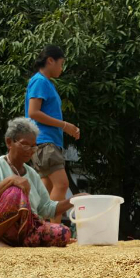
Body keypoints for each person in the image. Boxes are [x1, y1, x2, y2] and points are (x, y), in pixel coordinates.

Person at [0, 118, 81, 248]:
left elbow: (46, 208)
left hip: (21, 231)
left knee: (63, 233)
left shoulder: (32, 174)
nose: (30, 150)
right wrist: (11, 180)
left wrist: (73, 200)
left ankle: (17, 241)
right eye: (25, 144)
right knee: (16, 191)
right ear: (9, 142)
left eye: (33, 146)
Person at [25, 45, 80, 223]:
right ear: (50, 60)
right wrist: (65, 125)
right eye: (61, 63)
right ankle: (53, 230)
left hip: (45, 142)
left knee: (45, 189)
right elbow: (33, 112)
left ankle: (38, 228)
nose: (62, 69)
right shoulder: (40, 81)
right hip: (45, 142)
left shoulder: (45, 82)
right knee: (62, 184)